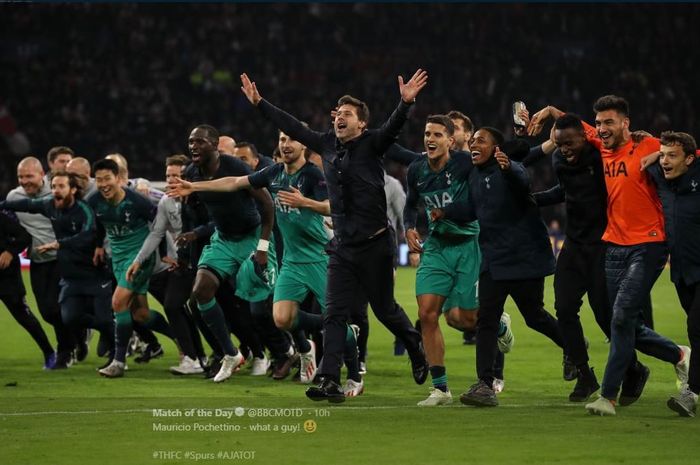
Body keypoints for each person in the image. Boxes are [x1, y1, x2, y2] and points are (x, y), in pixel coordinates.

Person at [240, 70, 429, 402]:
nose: (340, 118)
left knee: (384, 310)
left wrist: (405, 103)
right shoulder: (326, 144)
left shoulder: (373, 143)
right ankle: (329, 379)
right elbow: (295, 127)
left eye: (347, 115)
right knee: (334, 314)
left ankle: (414, 344)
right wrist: (260, 103)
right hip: (342, 247)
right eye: (337, 114)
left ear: (360, 125)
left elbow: (393, 127)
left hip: (375, 244)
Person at [171, 129, 365, 394]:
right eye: (282, 140)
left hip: (319, 257)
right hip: (293, 261)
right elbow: (234, 182)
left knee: (334, 325)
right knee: (282, 318)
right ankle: (329, 329)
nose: (285, 145)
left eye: (291, 140)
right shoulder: (274, 172)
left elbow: (335, 207)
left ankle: (354, 377)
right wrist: (194, 186)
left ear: (304, 146)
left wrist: (305, 202)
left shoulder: (313, 175)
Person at [529, 96, 690, 416]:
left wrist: (661, 152)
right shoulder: (597, 147)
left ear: (626, 123)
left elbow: (687, 155)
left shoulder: (647, 146)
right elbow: (575, 128)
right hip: (614, 244)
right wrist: (549, 111)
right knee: (619, 322)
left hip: (648, 244)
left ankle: (609, 394)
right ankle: (680, 356)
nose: (601, 129)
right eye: (599, 123)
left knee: (617, 318)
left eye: (608, 122)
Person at [530, 113, 645, 402]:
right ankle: (585, 375)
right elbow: (566, 192)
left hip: (604, 245)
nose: (564, 149)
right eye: (559, 144)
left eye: (569, 143)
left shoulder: (601, 156)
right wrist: (535, 199)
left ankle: (633, 369)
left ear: (585, 137)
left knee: (605, 315)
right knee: (564, 308)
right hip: (574, 245)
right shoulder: (559, 161)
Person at [403, 115, 514, 406]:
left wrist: (448, 212)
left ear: (451, 141)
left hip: (468, 244)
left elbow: (479, 203)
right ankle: (440, 389)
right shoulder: (416, 169)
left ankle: (499, 326)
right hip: (437, 245)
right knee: (427, 313)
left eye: (438, 135)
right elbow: (411, 203)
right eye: (427, 134)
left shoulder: (465, 164)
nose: (430, 139)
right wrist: (409, 227)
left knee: (461, 319)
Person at [459, 127, 567, 407]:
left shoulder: (511, 168)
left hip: (523, 259)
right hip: (494, 260)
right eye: (472, 141)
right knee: (486, 321)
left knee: (535, 317)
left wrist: (508, 168)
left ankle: (575, 349)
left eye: (480, 140)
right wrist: (443, 212)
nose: (473, 144)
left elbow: (522, 180)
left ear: (496, 149)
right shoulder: (474, 174)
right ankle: (485, 384)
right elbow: (471, 210)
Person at [180, 124, 276, 383]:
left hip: (251, 237)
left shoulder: (236, 168)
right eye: (190, 142)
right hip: (222, 239)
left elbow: (267, 204)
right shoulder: (192, 173)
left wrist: (263, 247)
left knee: (265, 307)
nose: (193, 147)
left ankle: (296, 348)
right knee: (200, 292)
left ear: (214, 144)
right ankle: (230, 353)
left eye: (199, 142)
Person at [1, 172, 116, 370]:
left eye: (61, 186)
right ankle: (100, 332)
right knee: (68, 316)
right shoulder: (49, 205)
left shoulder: (83, 209)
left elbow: (88, 234)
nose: (56, 191)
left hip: (92, 269)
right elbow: (25, 205)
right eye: (54, 186)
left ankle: (116, 352)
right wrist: (3, 204)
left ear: (72, 189)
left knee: (101, 316)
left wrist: (59, 244)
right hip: (69, 270)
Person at [88, 159, 173, 378]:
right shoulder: (94, 200)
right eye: (99, 180)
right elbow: (99, 222)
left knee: (117, 303)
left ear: (118, 178)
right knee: (141, 314)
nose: (104, 184)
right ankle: (182, 338)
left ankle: (118, 361)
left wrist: (162, 253)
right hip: (117, 259)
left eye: (108, 179)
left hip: (140, 259)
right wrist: (99, 245)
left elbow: (159, 225)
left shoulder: (137, 201)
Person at [126, 155, 208, 375]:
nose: (171, 180)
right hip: (184, 262)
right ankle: (195, 357)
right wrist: (138, 261)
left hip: (207, 258)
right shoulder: (166, 201)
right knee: (175, 306)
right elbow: (156, 233)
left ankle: (249, 352)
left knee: (214, 310)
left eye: (177, 175)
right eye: (168, 175)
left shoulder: (200, 198)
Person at [645, 131, 700, 416]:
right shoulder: (662, 180)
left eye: (672, 155)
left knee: (696, 329)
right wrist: (655, 152)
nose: (664, 161)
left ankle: (689, 393)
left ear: (691, 159)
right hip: (681, 272)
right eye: (663, 154)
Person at [7, 157, 75, 368]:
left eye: (29, 176)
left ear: (41, 174)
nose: (24, 181)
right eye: (20, 176)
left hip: (62, 259)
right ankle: (75, 336)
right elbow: (11, 229)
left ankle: (65, 350)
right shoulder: (14, 197)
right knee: (46, 312)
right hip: (38, 261)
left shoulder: (56, 192)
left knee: (57, 309)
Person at [0, 209, 56, 368]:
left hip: (6, 278)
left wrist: (10, 252)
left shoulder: (1, 218)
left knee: (24, 317)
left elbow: (24, 236)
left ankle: (49, 352)